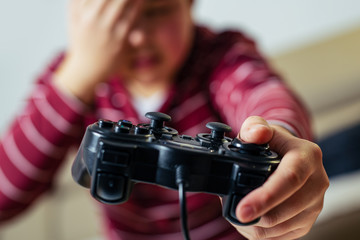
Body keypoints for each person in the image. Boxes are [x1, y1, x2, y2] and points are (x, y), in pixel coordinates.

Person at [0, 0, 329, 239]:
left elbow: (262, 94)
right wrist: (80, 73)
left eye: (156, 11)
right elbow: (5, 198)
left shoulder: (220, 56)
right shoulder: (74, 79)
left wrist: (277, 140)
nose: (138, 37)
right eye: (115, 19)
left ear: (189, 5)